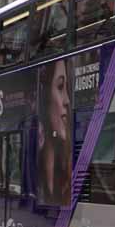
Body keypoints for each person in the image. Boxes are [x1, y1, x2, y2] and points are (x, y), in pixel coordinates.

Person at [37, 60, 72, 207]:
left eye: (68, 90)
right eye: (60, 87)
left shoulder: (70, 177)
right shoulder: (34, 181)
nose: (68, 101)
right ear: (45, 97)